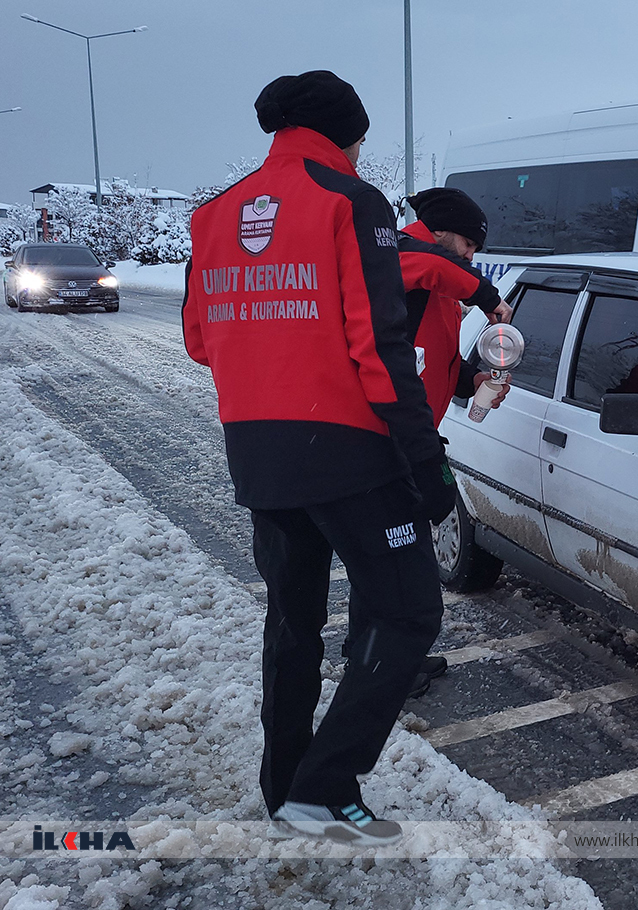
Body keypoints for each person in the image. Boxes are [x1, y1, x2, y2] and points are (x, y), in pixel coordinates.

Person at [182, 70, 451, 846]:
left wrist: (273, 352)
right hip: (350, 454)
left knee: (293, 621)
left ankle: (283, 791)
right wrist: (426, 464)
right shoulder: (349, 202)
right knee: (407, 612)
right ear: (345, 133)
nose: (363, 153)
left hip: (259, 454)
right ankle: (321, 790)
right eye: (361, 138)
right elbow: (379, 346)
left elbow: (202, 340)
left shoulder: (212, 214)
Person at [382, 186, 514, 698]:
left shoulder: (437, 278)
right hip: (389, 439)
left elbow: (434, 355)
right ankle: (384, 665)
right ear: (439, 231)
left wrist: (472, 382)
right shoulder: (398, 254)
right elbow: (429, 266)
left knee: (405, 555)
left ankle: (394, 654)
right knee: (400, 562)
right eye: (468, 244)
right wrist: (485, 295)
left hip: (415, 434)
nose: (471, 256)